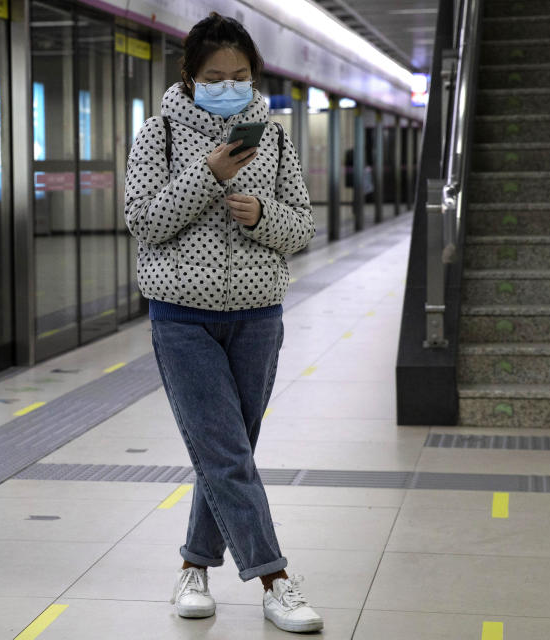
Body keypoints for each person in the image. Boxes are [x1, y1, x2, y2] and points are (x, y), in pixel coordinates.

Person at [124, 12, 321, 634]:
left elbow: (303, 230)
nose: (229, 84)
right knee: (226, 453)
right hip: (182, 318)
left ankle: (194, 564)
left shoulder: (278, 138)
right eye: (215, 75)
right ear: (190, 75)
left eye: (240, 75)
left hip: (259, 315)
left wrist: (262, 213)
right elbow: (146, 221)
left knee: (229, 453)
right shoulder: (156, 135)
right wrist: (209, 174)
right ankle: (274, 579)